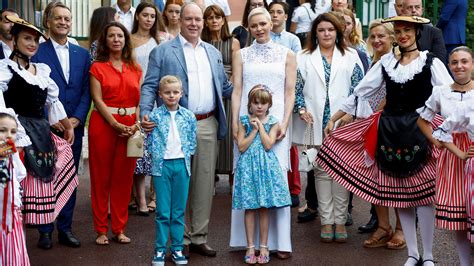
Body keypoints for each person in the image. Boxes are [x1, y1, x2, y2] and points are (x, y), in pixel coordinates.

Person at [317, 16, 452, 266]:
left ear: (417, 32)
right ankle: (412, 253)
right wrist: (334, 118)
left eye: (407, 30)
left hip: (419, 130)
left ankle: (429, 255)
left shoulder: (430, 62)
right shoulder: (387, 63)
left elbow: (447, 95)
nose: (403, 35)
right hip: (390, 131)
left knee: (423, 197)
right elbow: (361, 91)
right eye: (399, 31)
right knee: (399, 196)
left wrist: (453, 126)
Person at [140, 2, 233, 257]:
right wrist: (145, 112)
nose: (194, 23)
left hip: (206, 123)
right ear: (180, 20)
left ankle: (198, 237)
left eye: (198, 19)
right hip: (173, 125)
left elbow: (225, 87)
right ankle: (176, 241)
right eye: (189, 18)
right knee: (177, 184)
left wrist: (249, 84)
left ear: (203, 23)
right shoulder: (162, 51)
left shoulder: (213, 52)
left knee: (204, 183)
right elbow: (149, 86)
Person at [0, 15, 78, 250]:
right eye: (27, 38)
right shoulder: (4, 69)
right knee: (12, 189)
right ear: (14, 39)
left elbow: (52, 103)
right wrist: (9, 133)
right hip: (15, 135)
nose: (32, 44)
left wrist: (67, 125)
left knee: (50, 177)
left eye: (35, 40)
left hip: (40, 133)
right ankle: (11, 245)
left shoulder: (41, 70)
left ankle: (41, 235)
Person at [230, 7, 296, 259]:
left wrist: (285, 123)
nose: (259, 28)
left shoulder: (287, 54)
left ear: (272, 23)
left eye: (263, 23)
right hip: (247, 122)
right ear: (249, 27)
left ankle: (278, 243)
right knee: (248, 176)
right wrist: (236, 123)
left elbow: (289, 92)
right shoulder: (242, 54)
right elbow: (237, 90)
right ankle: (247, 242)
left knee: (274, 179)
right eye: (254, 25)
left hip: (275, 123)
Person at [292, 11, 363, 243]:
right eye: (321, 30)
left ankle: (340, 221)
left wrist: (351, 113)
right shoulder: (303, 56)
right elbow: (295, 86)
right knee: (321, 173)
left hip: (341, 123)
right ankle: (326, 220)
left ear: (337, 32)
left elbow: (358, 88)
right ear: (315, 33)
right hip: (314, 124)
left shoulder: (350, 55)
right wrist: (301, 109)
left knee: (340, 174)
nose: (326, 34)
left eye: (330, 29)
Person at [31, 1, 91, 250]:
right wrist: (51, 120)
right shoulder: (37, 52)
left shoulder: (82, 54)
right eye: (58, 18)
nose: (64, 22)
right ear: (48, 21)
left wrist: (76, 118)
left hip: (73, 129)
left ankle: (65, 229)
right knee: (45, 178)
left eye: (67, 18)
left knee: (69, 178)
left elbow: (87, 90)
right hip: (46, 128)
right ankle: (45, 230)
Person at [417, 46, 474, 266]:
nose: (459, 66)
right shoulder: (441, 91)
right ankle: (464, 263)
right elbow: (422, 120)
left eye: (464, 61)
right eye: (454, 62)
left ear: (472, 64)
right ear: (449, 66)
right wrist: (436, 142)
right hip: (452, 158)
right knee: (459, 219)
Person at [89, 22, 142, 245]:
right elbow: (97, 100)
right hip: (103, 125)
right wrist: (114, 123)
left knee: (124, 179)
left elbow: (138, 100)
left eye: (120, 36)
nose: (116, 39)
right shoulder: (97, 67)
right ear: (105, 40)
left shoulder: (136, 68)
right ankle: (101, 230)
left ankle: (119, 228)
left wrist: (136, 124)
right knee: (101, 178)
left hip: (130, 127)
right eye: (111, 36)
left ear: (125, 40)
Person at [233, 85, 291, 264]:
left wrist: (261, 128)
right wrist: (254, 130)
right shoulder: (244, 121)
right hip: (248, 167)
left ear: (269, 105)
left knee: (264, 206)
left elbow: (268, 145)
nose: (259, 107)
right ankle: (250, 246)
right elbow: (241, 146)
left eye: (263, 103)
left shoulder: (273, 122)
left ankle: (264, 246)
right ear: (250, 104)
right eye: (256, 103)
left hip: (265, 167)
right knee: (250, 207)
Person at [150, 75, 196, 266]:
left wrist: (187, 155)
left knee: (178, 210)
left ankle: (177, 248)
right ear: (160, 94)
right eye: (167, 92)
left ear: (181, 93)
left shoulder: (188, 116)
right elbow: (148, 140)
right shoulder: (154, 116)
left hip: (182, 165)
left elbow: (192, 140)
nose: (171, 96)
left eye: (175, 92)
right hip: (161, 167)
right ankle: (160, 249)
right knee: (162, 211)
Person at [130, 1, 170, 217]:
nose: (148, 19)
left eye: (152, 16)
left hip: (158, 98)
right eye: (145, 15)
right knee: (137, 150)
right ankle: (138, 196)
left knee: (157, 149)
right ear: (137, 16)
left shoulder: (161, 40)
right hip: (135, 97)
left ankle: (155, 196)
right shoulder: (128, 40)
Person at [269, 1, 302, 208]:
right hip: (266, 95)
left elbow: (297, 68)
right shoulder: (262, 36)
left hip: (286, 93)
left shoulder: (293, 40)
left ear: (286, 16)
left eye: (279, 12)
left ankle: (294, 189)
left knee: (289, 144)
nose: (275, 15)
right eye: (271, 11)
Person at [201, 4, 239, 183]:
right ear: (205, 22)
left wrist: (228, 86)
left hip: (228, 94)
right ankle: (211, 178)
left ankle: (233, 179)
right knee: (211, 134)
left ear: (223, 20)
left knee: (230, 136)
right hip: (209, 93)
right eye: (210, 18)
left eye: (217, 17)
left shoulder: (233, 41)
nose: (214, 21)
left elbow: (238, 69)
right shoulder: (201, 43)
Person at [0, 108, 30, 266]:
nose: (8, 135)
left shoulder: (11, 154)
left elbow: (20, 173)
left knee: (13, 247)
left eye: (12, 131)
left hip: (11, 214)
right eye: (2, 130)